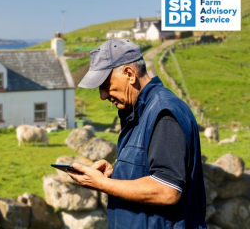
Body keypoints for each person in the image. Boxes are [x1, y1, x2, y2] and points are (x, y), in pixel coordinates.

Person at [67, 38, 206, 229]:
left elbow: (167, 190)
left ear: (129, 74)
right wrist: (116, 174)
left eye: (105, 84)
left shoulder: (163, 113)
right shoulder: (139, 112)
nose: (103, 95)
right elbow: (149, 172)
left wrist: (102, 184)